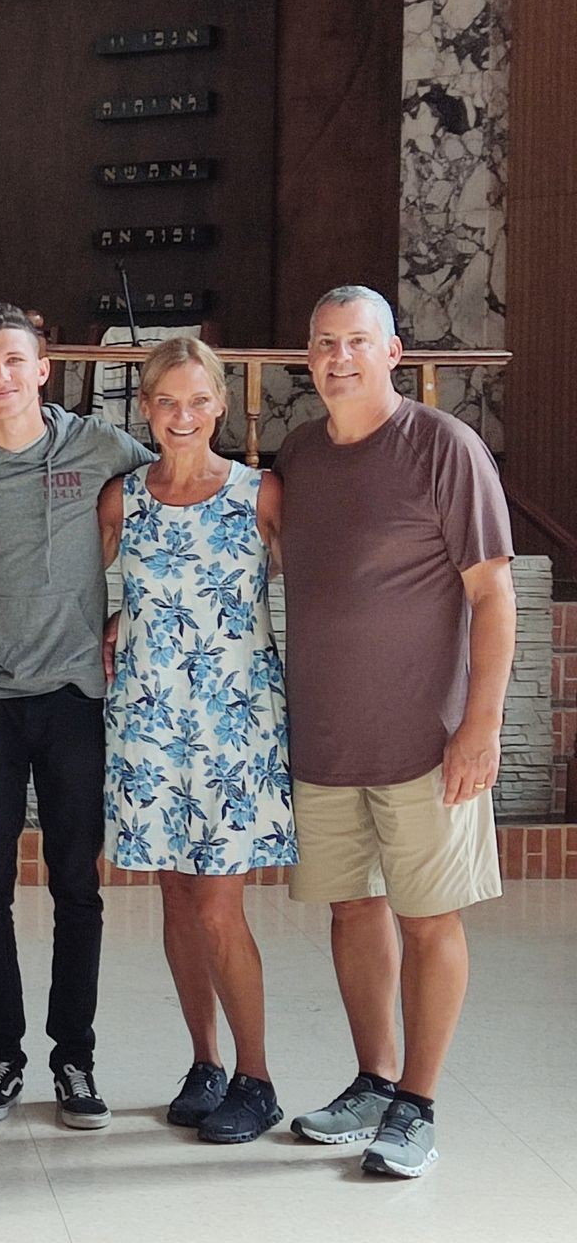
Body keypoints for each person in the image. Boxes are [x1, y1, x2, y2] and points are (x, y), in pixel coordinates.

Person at [275, 285, 513, 1179]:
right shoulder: (298, 454)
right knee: (352, 908)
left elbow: (494, 593)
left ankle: (418, 1103)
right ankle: (372, 1080)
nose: (339, 357)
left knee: (427, 917)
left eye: (357, 342)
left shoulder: (444, 448)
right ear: (309, 356)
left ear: (393, 351)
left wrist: (479, 725)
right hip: (329, 738)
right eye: (324, 342)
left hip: (427, 737)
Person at [0, 301, 153, 1130]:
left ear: (42, 369)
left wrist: (136, 611)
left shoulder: (101, 446)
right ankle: (2, 1054)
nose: (3, 377)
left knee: (78, 885)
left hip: (77, 697)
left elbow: (174, 505)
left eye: (18, 361)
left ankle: (74, 1058)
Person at [98, 338, 293, 1144]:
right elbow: (79, 592)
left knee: (218, 906)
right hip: (147, 718)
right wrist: (116, 621)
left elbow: (314, 587)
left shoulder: (260, 493)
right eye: (166, 402)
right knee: (176, 896)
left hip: (234, 724)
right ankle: (204, 1061)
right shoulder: (122, 500)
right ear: (146, 407)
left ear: (219, 403)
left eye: (198, 400)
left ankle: (258, 1076)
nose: (183, 416)